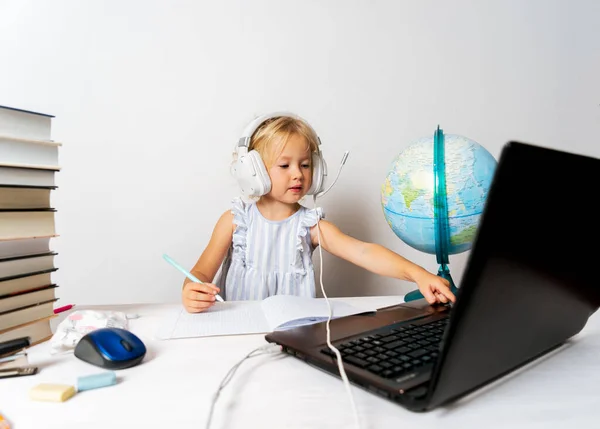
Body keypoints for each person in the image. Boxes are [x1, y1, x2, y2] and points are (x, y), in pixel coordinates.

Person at [182, 113, 455, 313]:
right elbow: (200, 272)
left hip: (290, 338)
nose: (298, 174)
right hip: (236, 334)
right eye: (284, 165)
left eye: (304, 164)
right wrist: (192, 289)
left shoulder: (309, 225)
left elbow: (364, 252)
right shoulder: (234, 221)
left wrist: (419, 274)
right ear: (252, 171)